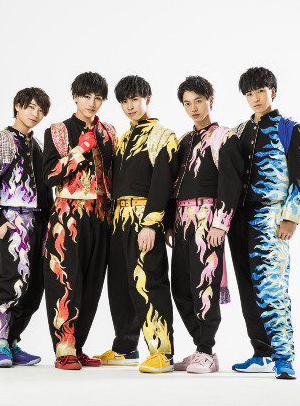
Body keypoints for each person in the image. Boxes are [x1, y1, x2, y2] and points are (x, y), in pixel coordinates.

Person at [228, 67, 300, 380]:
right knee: (248, 287)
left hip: (271, 218)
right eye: (249, 94)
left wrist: (291, 218)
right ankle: (261, 353)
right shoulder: (239, 130)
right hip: (239, 220)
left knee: (272, 287)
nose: (255, 98)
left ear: (272, 91)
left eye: (260, 91)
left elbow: (299, 178)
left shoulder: (289, 128)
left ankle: (284, 358)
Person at [166, 76, 243, 374]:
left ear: (210, 100)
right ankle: (201, 348)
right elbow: (174, 184)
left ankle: (207, 350)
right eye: (187, 103)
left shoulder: (225, 137)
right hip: (182, 221)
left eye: (198, 101)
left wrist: (220, 224)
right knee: (180, 287)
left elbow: (230, 183)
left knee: (204, 285)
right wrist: (170, 224)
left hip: (207, 221)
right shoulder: (185, 141)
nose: (194, 108)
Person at [42, 72, 118, 370]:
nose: (92, 103)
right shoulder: (58, 130)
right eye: (86, 96)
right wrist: (80, 149)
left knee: (92, 282)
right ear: (75, 96)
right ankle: (64, 349)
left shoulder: (109, 132)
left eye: (98, 98)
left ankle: (79, 346)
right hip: (67, 213)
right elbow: (50, 175)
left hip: (101, 214)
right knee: (65, 279)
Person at [0, 87, 53, 367]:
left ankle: (12, 341)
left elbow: (45, 190)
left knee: (34, 290)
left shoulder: (37, 145)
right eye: (31, 107)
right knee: (12, 285)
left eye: (41, 110)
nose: (36, 114)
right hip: (11, 221)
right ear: (18, 106)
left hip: (38, 223)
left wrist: (49, 224)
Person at [109, 75, 178, 374]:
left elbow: (163, 184)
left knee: (149, 282)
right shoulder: (123, 139)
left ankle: (162, 353)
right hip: (118, 220)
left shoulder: (163, 136)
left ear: (147, 99)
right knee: (120, 285)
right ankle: (126, 347)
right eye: (124, 101)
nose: (130, 106)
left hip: (144, 218)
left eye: (135, 99)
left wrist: (152, 224)